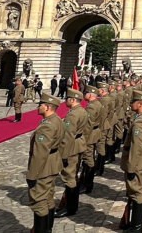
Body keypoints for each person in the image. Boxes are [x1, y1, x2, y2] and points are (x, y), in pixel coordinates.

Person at [26, 93, 64, 233]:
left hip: (44, 167)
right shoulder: (57, 120)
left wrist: (32, 175)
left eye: (40, 105)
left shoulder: (47, 126)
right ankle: (47, 229)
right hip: (53, 163)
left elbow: (39, 153)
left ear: (47, 107)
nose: (38, 107)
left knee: (39, 201)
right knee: (48, 197)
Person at [120, 90, 142, 232]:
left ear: (140, 104)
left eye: (133, 101)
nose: (130, 103)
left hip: (137, 161)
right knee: (141, 191)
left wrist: (131, 167)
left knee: (136, 192)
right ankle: (137, 223)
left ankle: (136, 226)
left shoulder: (140, 122)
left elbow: (136, 146)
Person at [55, 88, 89, 219]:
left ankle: (70, 207)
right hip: (78, 144)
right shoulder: (82, 110)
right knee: (73, 176)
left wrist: (63, 155)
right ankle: (72, 205)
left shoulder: (73, 115)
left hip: (71, 147)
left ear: (73, 99)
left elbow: (68, 136)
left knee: (69, 177)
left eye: (67, 98)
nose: (65, 100)